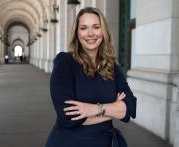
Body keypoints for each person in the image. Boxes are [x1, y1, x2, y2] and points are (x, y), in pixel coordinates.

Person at [45, 7, 136, 147]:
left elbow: (130, 107)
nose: (90, 33)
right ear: (76, 33)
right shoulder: (65, 62)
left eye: (96, 27)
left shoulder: (111, 66)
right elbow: (68, 118)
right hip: (68, 142)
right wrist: (114, 109)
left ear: (103, 31)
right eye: (83, 28)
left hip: (104, 142)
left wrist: (93, 109)